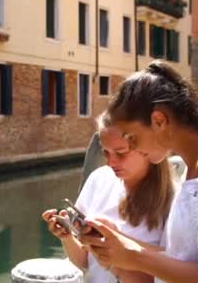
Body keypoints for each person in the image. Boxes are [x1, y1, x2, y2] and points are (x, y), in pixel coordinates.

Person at [79, 60, 198, 283]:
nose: (132, 147)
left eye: (132, 137)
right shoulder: (197, 166)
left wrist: (134, 258)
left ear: (159, 120)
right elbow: (185, 259)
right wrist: (117, 241)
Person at [42, 111, 175, 283]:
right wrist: (67, 236)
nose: (111, 163)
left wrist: (115, 242)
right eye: (106, 153)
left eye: (121, 153)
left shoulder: (174, 200)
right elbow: (85, 262)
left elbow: (168, 275)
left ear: (147, 149)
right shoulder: (99, 179)